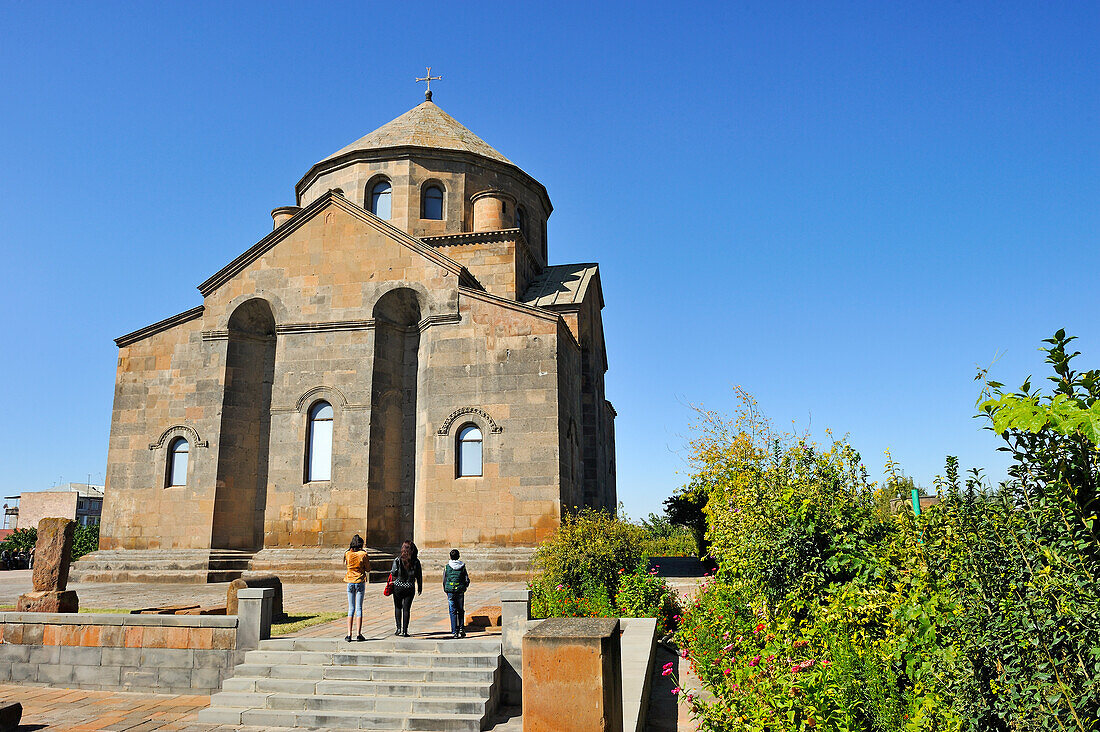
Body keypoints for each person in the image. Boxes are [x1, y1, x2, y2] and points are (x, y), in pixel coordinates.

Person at [390, 539, 422, 636]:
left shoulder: (397, 560)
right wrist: (420, 587)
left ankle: (398, 628)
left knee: (398, 607)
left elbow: (394, 573)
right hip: (410, 587)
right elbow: (419, 576)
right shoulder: (416, 562)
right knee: (406, 609)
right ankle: (405, 631)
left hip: (398, 587)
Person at [343, 534, 369, 642]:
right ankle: (358, 634)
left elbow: (347, 565)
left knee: (351, 608)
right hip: (359, 581)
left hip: (350, 581)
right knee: (359, 608)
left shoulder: (347, 554)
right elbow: (368, 569)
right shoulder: (363, 554)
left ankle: (349, 634)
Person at [442, 548, 471, 638]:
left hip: (450, 591)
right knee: (460, 610)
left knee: (452, 611)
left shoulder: (447, 567)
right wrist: (464, 587)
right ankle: (461, 628)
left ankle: (454, 631)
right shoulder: (462, 566)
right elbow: (466, 579)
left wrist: (446, 589)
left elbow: (444, 580)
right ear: (458, 556)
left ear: (450, 557)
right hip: (460, 591)